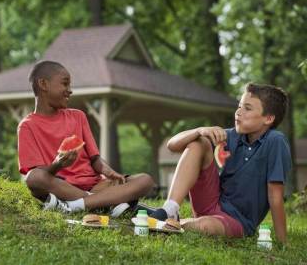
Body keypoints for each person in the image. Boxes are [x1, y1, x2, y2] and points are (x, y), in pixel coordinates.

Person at [150, 83, 290, 243]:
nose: (238, 112)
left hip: (238, 222)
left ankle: (165, 224)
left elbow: (275, 195)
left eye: (248, 108)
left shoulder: (275, 141)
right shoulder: (232, 135)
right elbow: (172, 145)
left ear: (268, 118)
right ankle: (170, 209)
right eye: (239, 106)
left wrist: (282, 241)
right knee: (199, 142)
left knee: (205, 227)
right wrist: (199, 130)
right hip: (211, 202)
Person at [17, 60, 155, 216]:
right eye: (65, 84)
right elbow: (39, 173)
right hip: (62, 187)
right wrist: (57, 164)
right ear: (43, 84)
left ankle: (80, 205)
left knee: (145, 180)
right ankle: (105, 203)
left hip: (96, 186)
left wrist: (108, 171)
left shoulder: (78, 116)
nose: (70, 90)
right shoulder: (27, 126)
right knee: (33, 178)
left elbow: (95, 159)